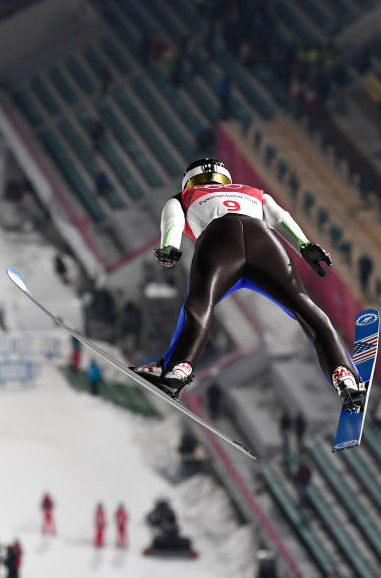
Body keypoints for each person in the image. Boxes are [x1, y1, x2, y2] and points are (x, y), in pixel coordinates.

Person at [131, 159, 362, 406]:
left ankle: (178, 369)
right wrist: (305, 246)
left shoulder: (183, 197)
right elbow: (280, 218)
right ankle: (344, 375)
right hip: (262, 241)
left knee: (199, 305)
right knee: (305, 307)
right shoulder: (252, 192)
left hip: (219, 241)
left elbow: (173, 223)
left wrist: (170, 247)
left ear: (189, 180)